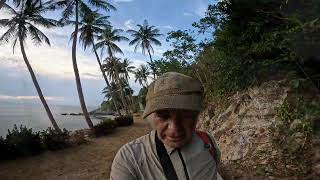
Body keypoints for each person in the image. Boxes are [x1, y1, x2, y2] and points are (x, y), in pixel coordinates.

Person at [110, 72, 222, 180]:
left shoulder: (208, 143)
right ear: (151, 117)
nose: (174, 129)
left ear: (197, 115)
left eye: (186, 115)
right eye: (163, 116)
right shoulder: (129, 159)